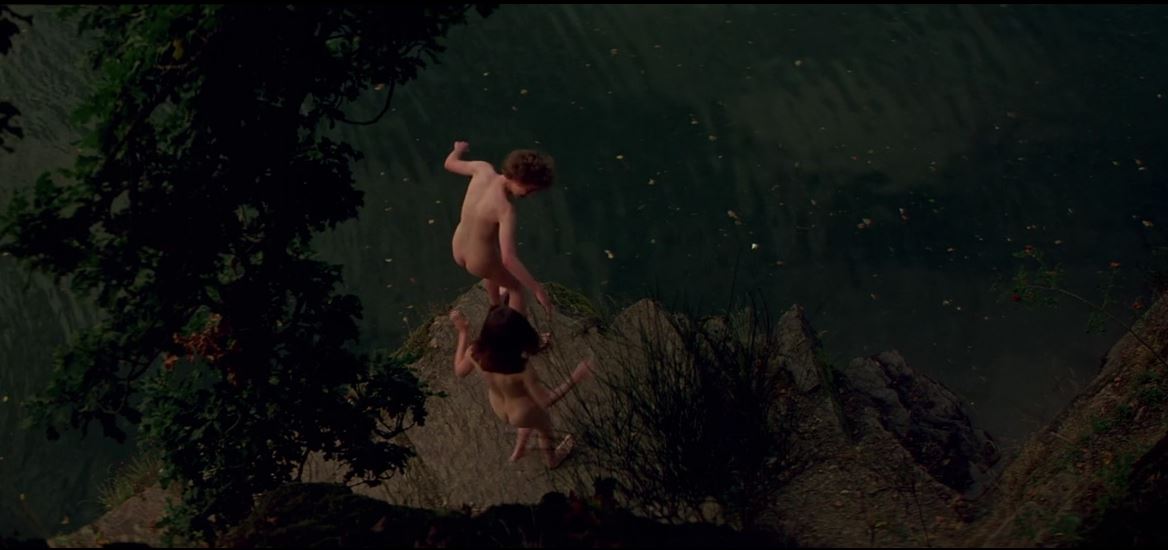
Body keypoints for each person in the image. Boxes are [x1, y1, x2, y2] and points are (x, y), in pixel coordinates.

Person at [448, 302, 593, 468]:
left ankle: (520, 449)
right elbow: (545, 401)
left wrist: (463, 332)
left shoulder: (474, 352)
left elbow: (459, 371)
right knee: (544, 425)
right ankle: (552, 460)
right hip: (522, 413)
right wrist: (576, 377)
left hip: (498, 407)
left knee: (527, 418)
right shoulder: (521, 369)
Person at [445, 140, 556, 320]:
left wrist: (457, 150)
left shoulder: (482, 169)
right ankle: (514, 332)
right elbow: (508, 259)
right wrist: (537, 289)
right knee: (516, 288)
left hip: (458, 247)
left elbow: (449, 163)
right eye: (529, 190)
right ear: (519, 179)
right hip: (479, 261)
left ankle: (495, 306)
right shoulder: (505, 209)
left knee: (493, 263)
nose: (530, 195)